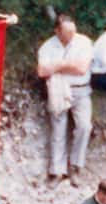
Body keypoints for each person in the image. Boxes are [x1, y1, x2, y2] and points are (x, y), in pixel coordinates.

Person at [37, 13, 95, 180]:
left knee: (84, 126)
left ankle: (76, 165)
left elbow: (82, 68)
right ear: (57, 31)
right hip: (58, 89)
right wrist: (68, 64)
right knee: (58, 129)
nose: (71, 36)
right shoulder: (47, 47)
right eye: (67, 33)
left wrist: (56, 66)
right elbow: (41, 71)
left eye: (73, 32)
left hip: (81, 89)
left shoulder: (83, 42)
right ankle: (57, 170)